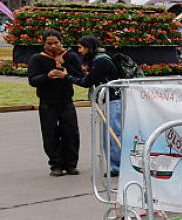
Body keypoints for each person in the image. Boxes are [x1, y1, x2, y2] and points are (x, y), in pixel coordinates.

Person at [28, 29, 84, 176]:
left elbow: (80, 75)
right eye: (49, 43)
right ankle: (56, 165)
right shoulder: (37, 58)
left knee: (71, 133)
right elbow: (32, 80)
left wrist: (66, 70)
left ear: (61, 41)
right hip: (47, 103)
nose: (53, 46)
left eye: (56, 43)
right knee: (50, 134)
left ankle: (71, 164)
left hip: (66, 101)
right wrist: (47, 76)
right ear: (43, 44)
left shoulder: (70, 56)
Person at [70, 36, 124, 174]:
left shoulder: (100, 61)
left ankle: (119, 166)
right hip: (109, 99)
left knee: (113, 134)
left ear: (88, 47)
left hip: (112, 99)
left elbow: (87, 81)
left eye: (81, 48)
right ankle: (116, 165)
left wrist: (67, 77)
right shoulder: (101, 58)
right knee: (110, 134)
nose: (80, 51)